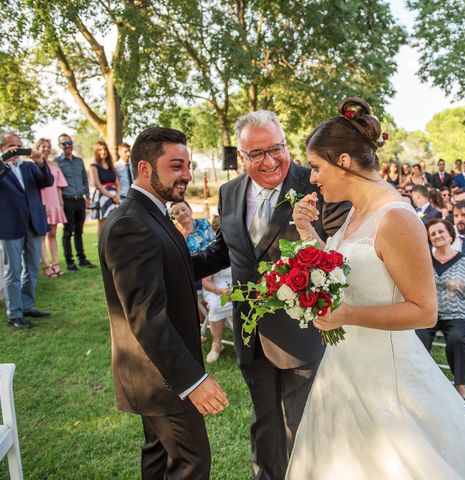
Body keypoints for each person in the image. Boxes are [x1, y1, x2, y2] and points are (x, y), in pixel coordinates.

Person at [286, 97, 465, 480]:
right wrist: (307, 233)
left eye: (316, 167)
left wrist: (347, 315)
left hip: (385, 376)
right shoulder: (355, 209)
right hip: (343, 369)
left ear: (344, 162)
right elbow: (340, 275)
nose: (312, 178)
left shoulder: (397, 218)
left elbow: (424, 310)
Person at [191, 110, 349, 479]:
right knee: (263, 420)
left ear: (286, 145)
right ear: (241, 158)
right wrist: (175, 265)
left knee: (302, 421)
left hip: (304, 329)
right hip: (249, 331)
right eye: (257, 154)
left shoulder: (316, 184)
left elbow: (339, 255)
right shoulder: (229, 193)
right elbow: (223, 250)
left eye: (276, 149)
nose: (270, 160)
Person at [98, 127, 228, 480]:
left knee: (159, 462)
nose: (186, 174)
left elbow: (179, 270)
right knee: (190, 463)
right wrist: (192, 381)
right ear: (144, 168)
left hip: (158, 374)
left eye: (187, 165)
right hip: (161, 378)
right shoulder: (131, 224)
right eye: (176, 165)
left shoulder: (152, 212)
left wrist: (226, 247)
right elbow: (145, 316)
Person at [416, 218, 465, 400]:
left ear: (450, 235)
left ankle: (461, 391)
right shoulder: (424, 260)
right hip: (429, 312)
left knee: (456, 340)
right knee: (417, 338)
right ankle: (419, 385)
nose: (437, 236)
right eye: (433, 234)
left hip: (458, 315)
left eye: (441, 232)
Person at [0, 132, 54, 328]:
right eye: (11, 146)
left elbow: (47, 182)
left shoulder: (29, 167)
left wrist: (40, 162)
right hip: (10, 226)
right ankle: (14, 313)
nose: (16, 150)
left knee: (31, 268)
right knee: (12, 271)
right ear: (2, 148)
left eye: (19, 145)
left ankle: (27, 305)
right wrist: (4, 160)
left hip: (33, 223)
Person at [170, 200, 228, 363]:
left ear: (190, 210)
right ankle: (193, 326)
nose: (181, 214)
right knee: (181, 283)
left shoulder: (203, 223)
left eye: (183, 209)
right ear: (174, 217)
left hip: (212, 265)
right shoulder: (176, 233)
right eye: (177, 212)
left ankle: (197, 322)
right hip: (193, 272)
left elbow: (214, 245)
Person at [55, 133, 95, 271]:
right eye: (64, 143)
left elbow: (85, 179)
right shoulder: (57, 162)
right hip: (67, 200)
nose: (68, 146)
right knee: (67, 232)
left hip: (80, 200)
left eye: (69, 142)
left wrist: (88, 197)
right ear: (60, 146)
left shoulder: (79, 161)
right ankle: (69, 262)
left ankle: (82, 259)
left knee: (79, 231)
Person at [37, 138, 68, 278]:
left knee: (53, 234)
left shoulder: (54, 165)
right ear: (37, 148)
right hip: (41, 203)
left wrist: (60, 204)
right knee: (42, 236)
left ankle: (55, 263)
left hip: (55, 202)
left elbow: (59, 187)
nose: (46, 149)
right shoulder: (33, 165)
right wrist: (41, 205)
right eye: (43, 146)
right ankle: (46, 266)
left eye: (48, 146)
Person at [89, 141, 121, 236]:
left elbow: (117, 183)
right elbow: (97, 185)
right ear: (96, 152)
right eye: (100, 149)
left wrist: (117, 196)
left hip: (115, 197)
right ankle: (101, 248)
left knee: (116, 222)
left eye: (105, 149)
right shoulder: (94, 167)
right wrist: (111, 196)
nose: (103, 151)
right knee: (103, 224)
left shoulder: (111, 166)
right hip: (102, 197)